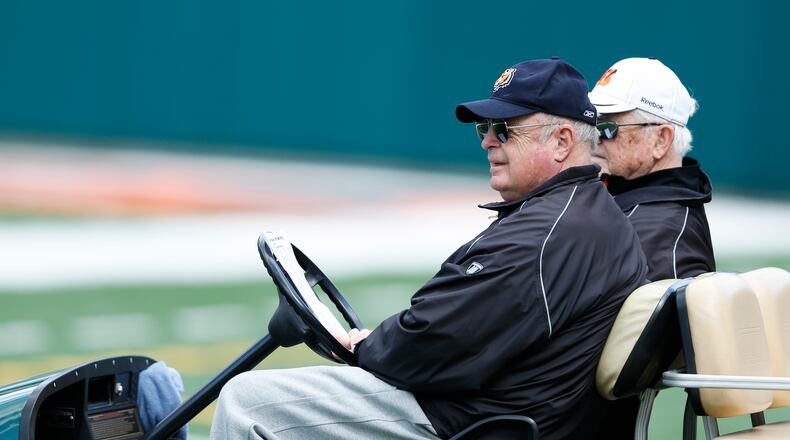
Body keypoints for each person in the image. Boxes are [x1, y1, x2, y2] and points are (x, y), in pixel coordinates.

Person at [210, 58, 647, 440]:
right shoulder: (587, 213)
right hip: (505, 411)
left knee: (246, 400)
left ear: (562, 141)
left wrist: (366, 347)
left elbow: (434, 342)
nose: (487, 141)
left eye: (505, 130)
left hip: (477, 421)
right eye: (485, 128)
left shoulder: (549, 231)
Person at [588, 57, 716, 439]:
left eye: (608, 127)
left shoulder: (663, 230)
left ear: (661, 139)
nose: (594, 138)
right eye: (591, 124)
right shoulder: (631, 205)